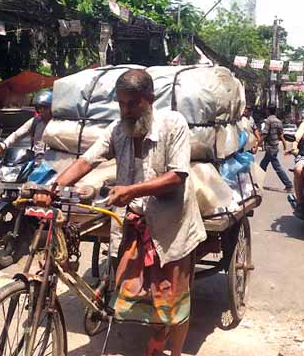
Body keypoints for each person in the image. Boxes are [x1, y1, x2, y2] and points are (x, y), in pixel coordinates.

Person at [47, 69, 206, 356]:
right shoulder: (118, 130)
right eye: (121, 104)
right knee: (131, 294)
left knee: (175, 302)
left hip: (173, 229)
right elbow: (86, 160)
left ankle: (175, 351)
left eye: (132, 104)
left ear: (150, 99)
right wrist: (53, 187)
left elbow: (178, 176)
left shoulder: (173, 124)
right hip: (135, 225)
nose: (126, 110)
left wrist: (130, 191)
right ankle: (154, 338)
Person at [0, 90, 53, 154]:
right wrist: (3, 145)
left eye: (45, 107)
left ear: (51, 107)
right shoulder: (35, 121)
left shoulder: (58, 124)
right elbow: (17, 135)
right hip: (36, 160)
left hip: (52, 161)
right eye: (39, 107)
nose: (41, 110)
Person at [259, 106, 293, 192]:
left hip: (270, 148)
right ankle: (257, 183)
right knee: (262, 166)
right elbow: (281, 135)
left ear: (268, 111)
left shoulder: (268, 121)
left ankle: (288, 185)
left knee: (277, 167)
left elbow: (265, 134)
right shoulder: (279, 121)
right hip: (275, 147)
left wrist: (257, 144)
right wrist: (285, 146)